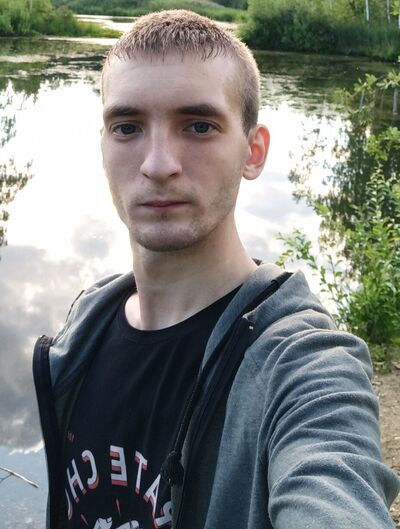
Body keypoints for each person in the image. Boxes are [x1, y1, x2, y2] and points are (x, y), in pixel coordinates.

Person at [33, 9, 399, 529]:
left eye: (199, 126)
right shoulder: (83, 332)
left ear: (253, 151)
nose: (158, 164)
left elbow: (334, 489)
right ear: (103, 147)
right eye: (127, 127)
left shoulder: (302, 367)